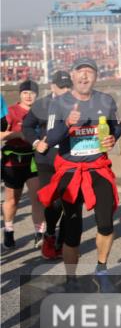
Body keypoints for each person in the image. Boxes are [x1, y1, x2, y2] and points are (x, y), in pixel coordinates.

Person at [37, 59, 121, 292]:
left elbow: (118, 127)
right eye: (80, 72)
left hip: (98, 168)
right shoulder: (60, 103)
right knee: (73, 229)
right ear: (73, 76)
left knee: (106, 223)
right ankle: (71, 279)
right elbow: (52, 138)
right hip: (71, 171)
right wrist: (67, 123)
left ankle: (102, 271)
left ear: (96, 77)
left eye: (90, 72)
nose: (85, 76)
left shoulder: (105, 101)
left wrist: (113, 137)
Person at [22, 71, 73, 259]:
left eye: (68, 87)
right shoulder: (42, 104)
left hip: (69, 158)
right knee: (52, 201)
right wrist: (36, 142)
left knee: (70, 201)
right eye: (62, 87)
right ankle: (50, 233)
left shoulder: (78, 103)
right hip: (46, 159)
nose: (65, 91)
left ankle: (63, 240)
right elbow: (26, 126)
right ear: (52, 86)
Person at [1, 80, 46, 250]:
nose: (28, 95)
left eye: (32, 93)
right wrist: (17, 134)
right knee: (13, 199)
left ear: (37, 94)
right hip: (13, 160)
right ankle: (9, 229)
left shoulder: (42, 112)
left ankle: (39, 233)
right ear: (20, 94)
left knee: (37, 198)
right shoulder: (10, 112)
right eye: (25, 92)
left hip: (34, 159)